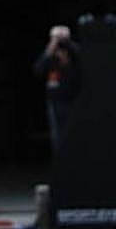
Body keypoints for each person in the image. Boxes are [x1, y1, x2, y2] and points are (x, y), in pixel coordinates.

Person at [33, 24, 81, 154]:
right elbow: (38, 70)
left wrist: (68, 44)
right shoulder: (50, 55)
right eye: (56, 38)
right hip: (55, 101)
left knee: (74, 133)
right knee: (58, 135)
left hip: (73, 100)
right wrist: (51, 48)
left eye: (61, 39)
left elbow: (85, 59)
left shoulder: (75, 54)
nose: (60, 43)